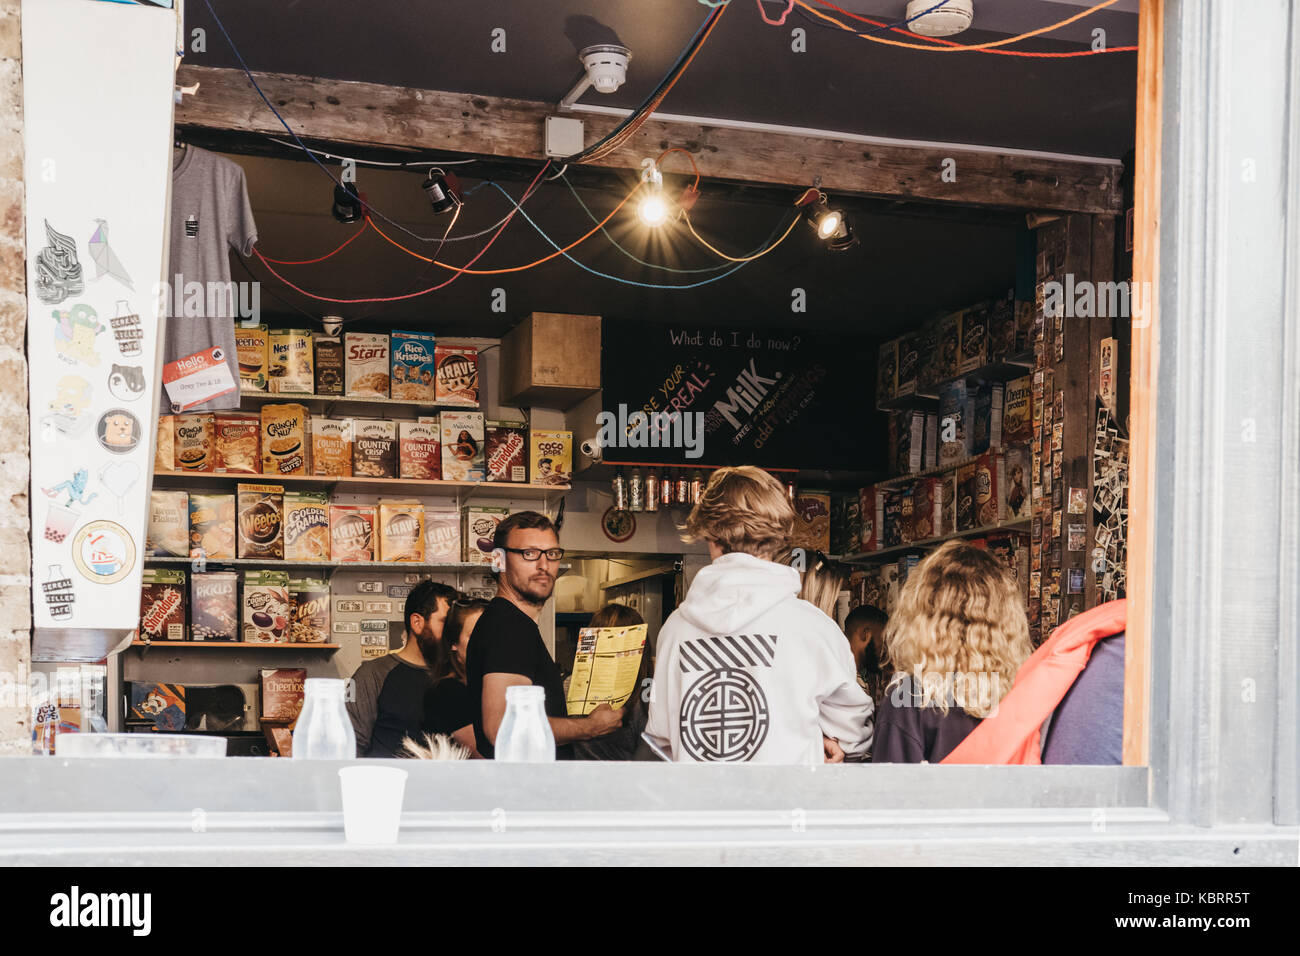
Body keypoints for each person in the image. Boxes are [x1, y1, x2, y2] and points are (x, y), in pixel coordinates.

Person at [645, 466, 873, 764]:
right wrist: (821, 740)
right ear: (779, 536)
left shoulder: (676, 630)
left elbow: (662, 737)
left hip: (701, 805)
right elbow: (854, 734)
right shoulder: (813, 628)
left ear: (710, 536)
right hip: (789, 806)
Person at [466, 510, 624, 758]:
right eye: (529, 554)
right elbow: (501, 728)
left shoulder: (513, 623)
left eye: (551, 554)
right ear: (499, 560)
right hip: (521, 790)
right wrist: (589, 727)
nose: (543, 565)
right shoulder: (509, 626)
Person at [872, 540, 1032, 763]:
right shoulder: (1023, 695)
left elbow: (889, 793)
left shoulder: (910, 699)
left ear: (923, 614)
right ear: (1008, 618)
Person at [346, 580, 457, 757]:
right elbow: (351, 745)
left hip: (444, 782)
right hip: (388, 782)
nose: (453, 632)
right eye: (445, 622)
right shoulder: (372, 674)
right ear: (417, 623)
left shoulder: (459, 677)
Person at [573, 603, 651, 761]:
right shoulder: (647, 692)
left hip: (577, 780)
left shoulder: (571, 685)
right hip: (628, 782)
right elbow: (651, 755)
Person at [423, 598, 489, 757]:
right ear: (454, 642)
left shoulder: (489, 686)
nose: (486, 643)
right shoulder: (447, 691)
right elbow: (483, 756)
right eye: (475, 635)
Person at [844, 604, 890, 703]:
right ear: (865, 634)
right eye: (882, 639)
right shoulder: (843, 680)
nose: (884, 648)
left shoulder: (853, 676)